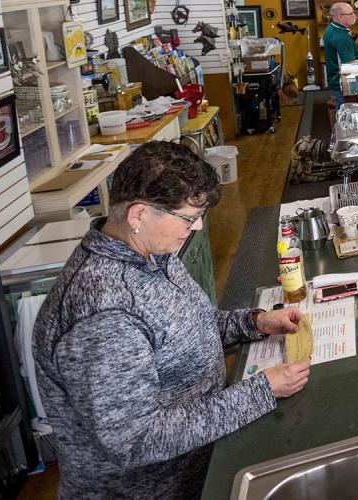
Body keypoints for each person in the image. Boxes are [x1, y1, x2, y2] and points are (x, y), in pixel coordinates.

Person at [32, 141, 311, 498]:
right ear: (138, 215)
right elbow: (136, 439)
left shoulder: (150, 253)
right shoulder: (103, 314)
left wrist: (255, 323)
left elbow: (185, 330)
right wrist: (261, 390)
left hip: (201, 465)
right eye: (188, 217)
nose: (195, 228)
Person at [324, 2, 358, 108]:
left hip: (334, 79)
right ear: (340, 17)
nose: (354, 16)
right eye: (351, 14)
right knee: (347, 112)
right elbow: (350, 64)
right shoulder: (341, 36)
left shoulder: (331, 28)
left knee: (341, 108)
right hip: (343, 82)